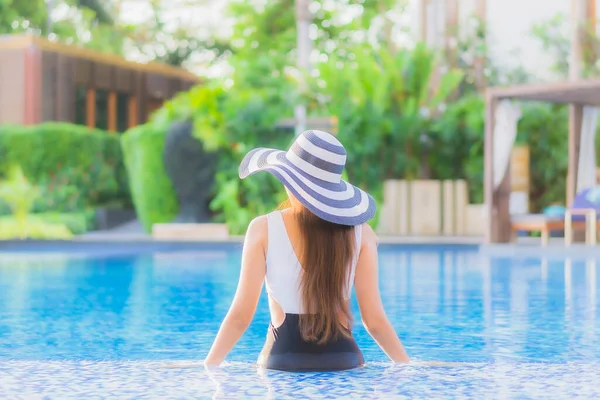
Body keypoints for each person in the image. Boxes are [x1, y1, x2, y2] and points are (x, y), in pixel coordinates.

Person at [204, 130, 409, 371]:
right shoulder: (361, 233)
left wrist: (209, 367)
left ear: (290, 180)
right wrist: (406, 366)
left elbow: (240, 317)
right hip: (344, 362)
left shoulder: (262, 229)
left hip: (282, 363)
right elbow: (374, 321)